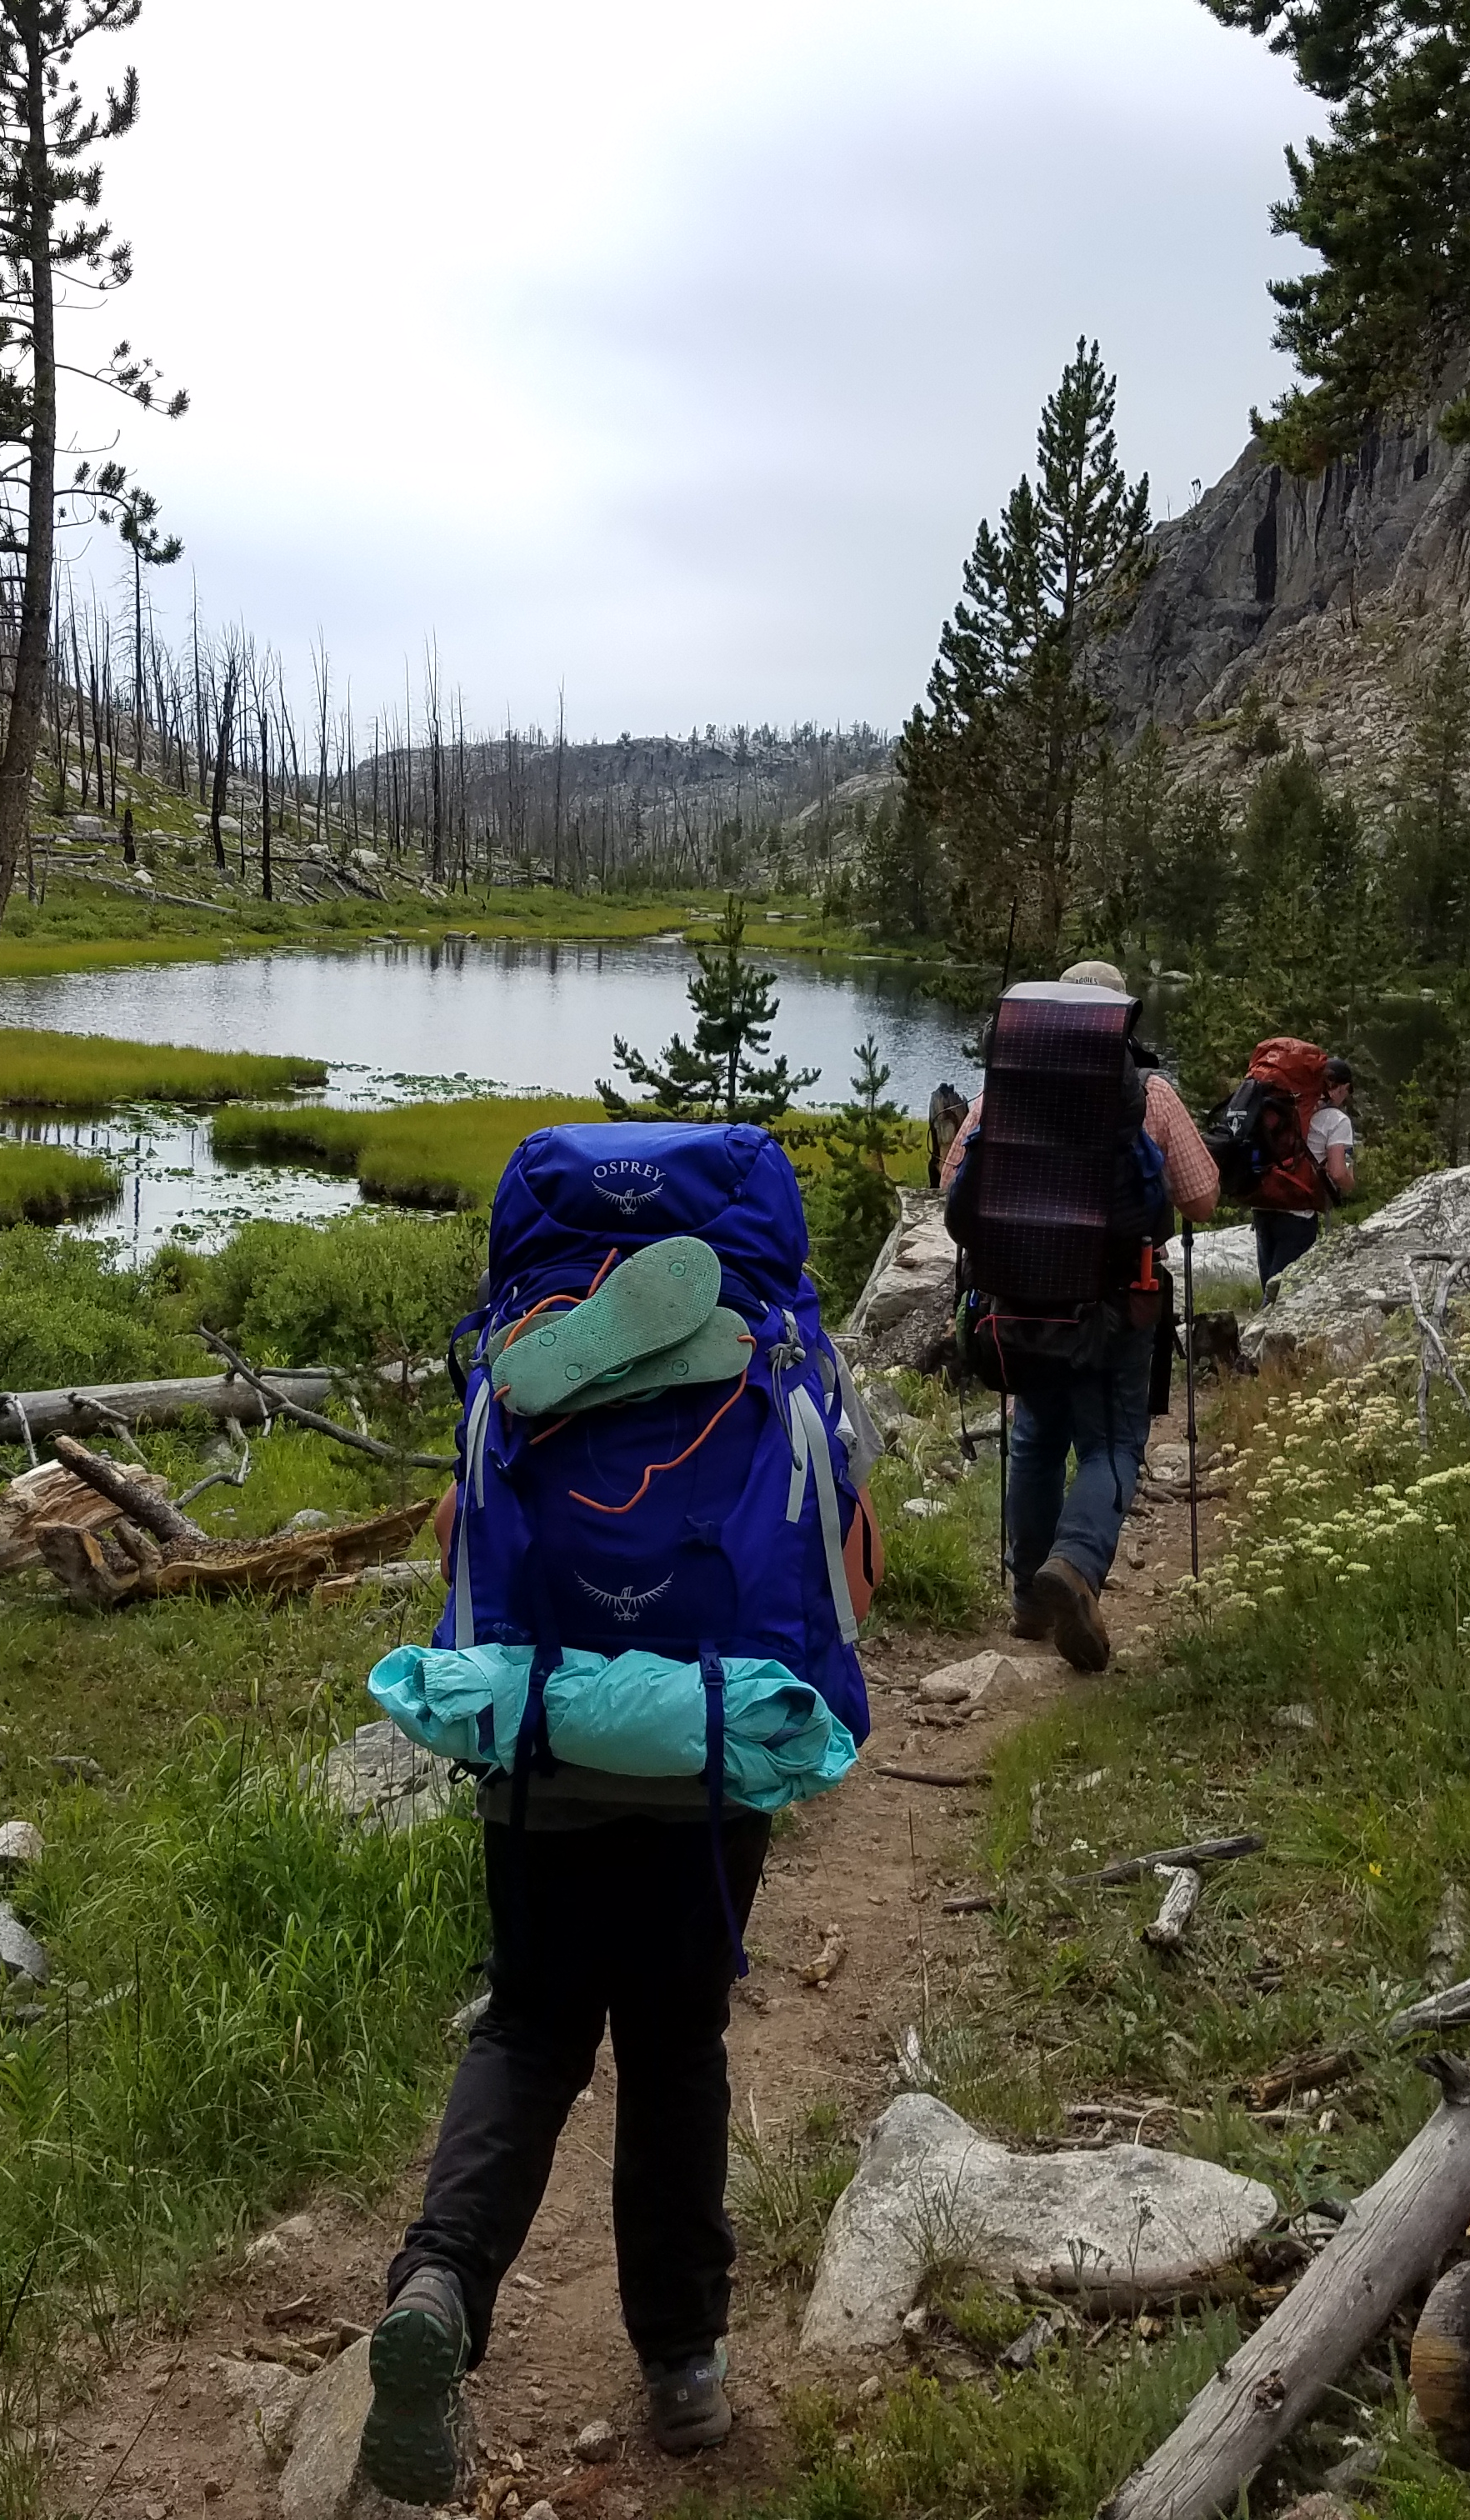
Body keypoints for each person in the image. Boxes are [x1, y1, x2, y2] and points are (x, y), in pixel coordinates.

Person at [357, 1128, 880, 2507]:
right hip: (710, 1736)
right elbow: (839, 1547)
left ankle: (438, 2282)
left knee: (530, 2023)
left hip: (533, 1728)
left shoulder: (518, 1352)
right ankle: (684, 2360)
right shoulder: (779, 1355)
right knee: (673, 2038)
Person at [937, 958, 1218, 1672]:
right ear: (1119, 1015)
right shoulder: (1149, 1094)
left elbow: (951, 1184)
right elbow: (1204, 1199)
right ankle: (1076, 1565)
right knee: (1113, 1444)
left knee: (1034, 1435)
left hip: (1020, 1298)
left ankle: (1031, 1596)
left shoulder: (1004, 1087)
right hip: (1117, 1303)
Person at [1252, 1051, 1358, 1293]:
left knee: (1269, 1283)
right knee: (1283, 1292)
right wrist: (1350, 1185)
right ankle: (1263, 1328)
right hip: (1298, 1212)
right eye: (1348, 1091)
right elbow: (1338, 1172)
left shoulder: (1286, 1110)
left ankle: (1258, 1328)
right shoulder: (1337, 1121)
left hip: (1264, 1201)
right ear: (1341, 1088)